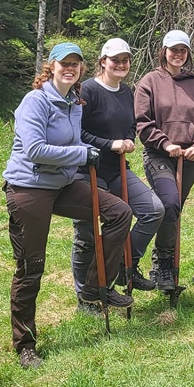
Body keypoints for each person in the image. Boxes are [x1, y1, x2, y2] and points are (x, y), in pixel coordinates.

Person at [2, 42, 132, 369]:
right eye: (64, 63)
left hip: (61, 184)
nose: (70, 68)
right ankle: (25, 344)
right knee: (31, 267)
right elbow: (34, 150)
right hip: (28, 187)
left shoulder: (74, 102)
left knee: (119, 213)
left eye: (75, 63)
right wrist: (80, 154)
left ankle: (94, 288)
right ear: (52, 67)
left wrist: (86, 150)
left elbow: (74, 142)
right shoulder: (36, 101)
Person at [71, 38, 165, 306]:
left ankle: (125, 266)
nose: (121, 64)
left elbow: (130, 124)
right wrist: (108, 144)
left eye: (125, 60)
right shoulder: (87, 91)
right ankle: (85, 297)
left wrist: (128, 138)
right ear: (103, 62)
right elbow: (76, 132)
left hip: (117, 170)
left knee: (153, 210)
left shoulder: (126, 92)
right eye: (115, 60)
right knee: (88, 235)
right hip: (87, 171)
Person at [134, 30, 194, 290]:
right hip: (159, 155)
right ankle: (162, 264)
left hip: (188, 158)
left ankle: (162, 269)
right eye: (173, 49)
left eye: (183, 50)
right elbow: (143, 123)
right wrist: (165, 143)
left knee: (175, 208)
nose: (178, 54)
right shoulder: (149, 82)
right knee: (168, 203)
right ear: (164, 51)